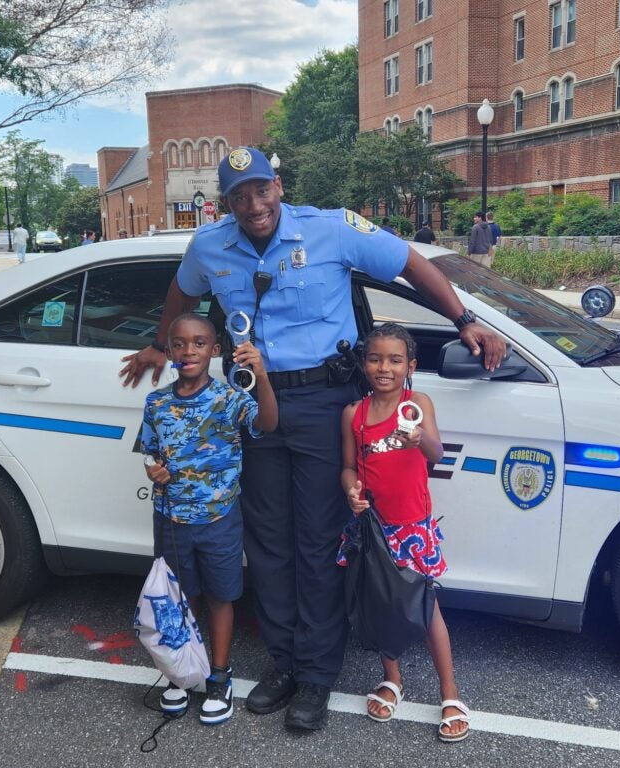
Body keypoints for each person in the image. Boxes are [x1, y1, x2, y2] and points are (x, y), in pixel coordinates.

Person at [119, 146, 503, 731]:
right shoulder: (209, 246)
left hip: (326, 403)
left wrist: (464, 320)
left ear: (278, 185)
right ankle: (285, 663)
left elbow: (413, 265)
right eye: (239, 196)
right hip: (253, 405)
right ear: (226, 203)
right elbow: (183, 293)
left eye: (261, 190)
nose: (253, 205)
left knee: (321, 541)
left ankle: (318, 674)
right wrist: (157, 341)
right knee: (269, 542)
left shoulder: (331, 229)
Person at [140, 312, 279, 725]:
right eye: (179, 344)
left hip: (219, 519)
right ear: (168, 352)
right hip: (170, 519)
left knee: (221, 597)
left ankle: (219, 676)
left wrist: (263, 377)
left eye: (199, 343)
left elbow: (268, 424)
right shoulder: (157, 403)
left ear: (214, 350)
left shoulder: (230, 399)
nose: (188, 351)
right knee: (180, 599)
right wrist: (153, 470)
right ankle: (182, 672)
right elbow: (149, 452)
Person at [337, 323, 469, 743]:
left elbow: (436, 452)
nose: (384, 367)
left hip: (412, 527)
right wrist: (351, 490)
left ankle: (450, 693)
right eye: (375, 358)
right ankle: (391, 678)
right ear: (363, 363)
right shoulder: (353, 415)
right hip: (373, 528)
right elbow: (347, 467)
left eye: (395, 360)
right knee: (382, 604)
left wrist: (419, 438)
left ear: (410, 366)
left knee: (425, 607)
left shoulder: (417, 403)